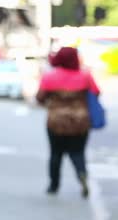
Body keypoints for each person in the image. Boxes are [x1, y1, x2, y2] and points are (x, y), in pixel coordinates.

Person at [36, 47, 101, 198]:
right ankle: (82, 175)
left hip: (56, 121)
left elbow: (40, 97)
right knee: (78, 152)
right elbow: (96, 92)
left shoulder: (50, 77)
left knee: (55, 154)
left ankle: (54, 185)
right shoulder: (85, 76)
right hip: (80, 121)